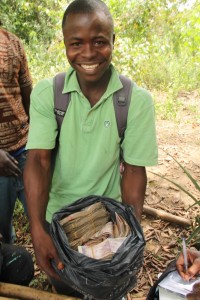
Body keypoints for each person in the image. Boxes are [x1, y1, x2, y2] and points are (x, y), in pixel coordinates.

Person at [24, 0, 158, 297]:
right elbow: (39, 162)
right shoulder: (49, 94)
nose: (87, 53)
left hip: (108, 224)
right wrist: (37, 229)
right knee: (65, 287)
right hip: (58, 225)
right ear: (65, 45)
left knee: (108, 291)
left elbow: (134, 171)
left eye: (99, 41)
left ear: (113, 40)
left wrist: (129, 237)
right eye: (76, 43)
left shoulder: (135, 101)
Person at [0, 24, 32, 243]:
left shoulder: (14, 41)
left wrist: (37, 138)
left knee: (42, 215)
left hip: (25, 149)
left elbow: (27, 92)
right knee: (3, 226)